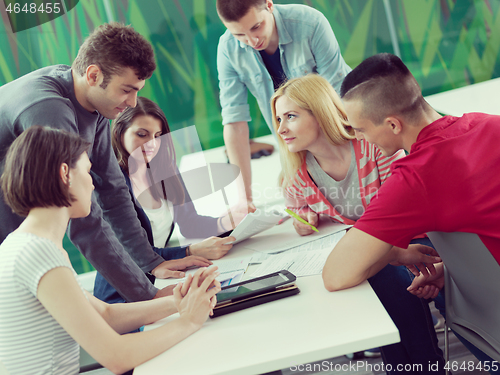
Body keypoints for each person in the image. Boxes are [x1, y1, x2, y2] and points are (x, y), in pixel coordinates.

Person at [0, 23, 204, 303]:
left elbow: (112, 191)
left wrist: (151, 263)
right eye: (126, 91)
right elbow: (83, 218)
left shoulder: (91, 104)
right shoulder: (48, 109)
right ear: (93, 75)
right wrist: (149, 295)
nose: (132, 103)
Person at [323, 53, 500, 370]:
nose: (359, 139)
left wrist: (392, 253)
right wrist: (452, 272)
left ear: (392, 124)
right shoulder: (489, 123)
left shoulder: (416, 178)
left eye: (360, 129)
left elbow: (337, 275)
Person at [0, 125, 220, 374]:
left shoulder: (23, 245)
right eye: (87, 171)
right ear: (65, 174)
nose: (93, 184)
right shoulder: (38, 253)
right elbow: (116, 357)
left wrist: (179, 301)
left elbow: (104, 314)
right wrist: (189, 322)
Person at [271, 74, 445, 373]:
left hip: (417, 239)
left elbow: (405, 207)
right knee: (376, 277)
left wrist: (391, 254)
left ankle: (425, 366)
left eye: (290, 116)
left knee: (386, 280)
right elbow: (296, 208)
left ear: (320, 112)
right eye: (278, 119)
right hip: (379, 249)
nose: (281, 128)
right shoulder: (297, 173)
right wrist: (304, 219)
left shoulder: (373, 146)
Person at [94, 97, 240, 304]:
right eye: (141, 134)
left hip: (161, 281)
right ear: (119, 132)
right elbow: (131, 251)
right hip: (123, 293)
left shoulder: (165, 171)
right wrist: (190, 251)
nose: (151, 144)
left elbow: (190, 224)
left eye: (157, 135)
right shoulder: (111, 185)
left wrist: (227, 221)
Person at [216, 0, 351, 206]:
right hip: (295, 149)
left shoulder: (310, 23)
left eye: (256, 27)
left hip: (340, 135)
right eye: (239, 35)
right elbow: (235, 123)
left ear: (269, 5)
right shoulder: (228, 48)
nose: (252, 40)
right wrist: (245, 199)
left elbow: (341, 96)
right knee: (297, 206)